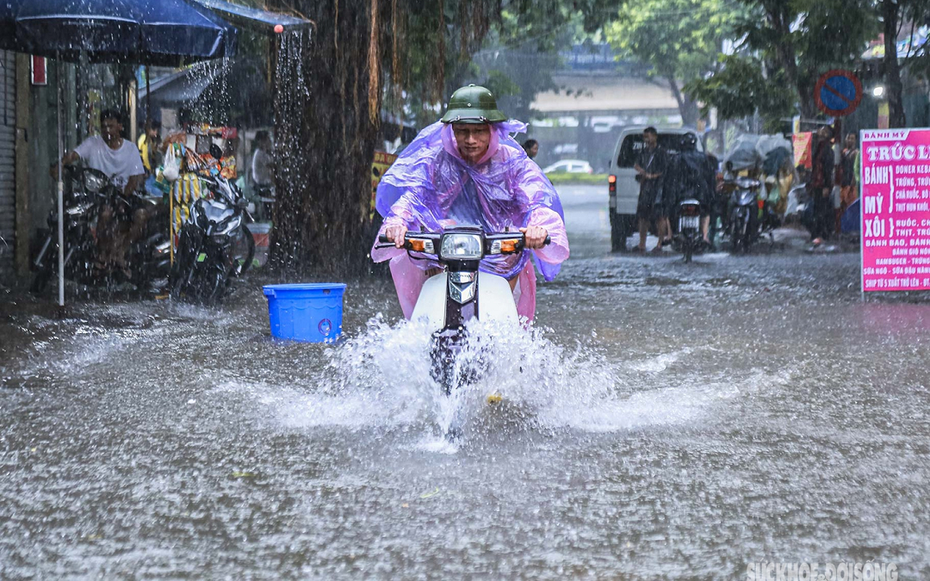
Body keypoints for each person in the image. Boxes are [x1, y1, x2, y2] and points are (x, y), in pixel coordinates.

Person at [372, 84, 569, 322]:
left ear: (493, 130)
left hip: (499, 255)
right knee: (430, 321)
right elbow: (413, 196)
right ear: (451, 131)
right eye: (462, 131)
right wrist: (397, 222)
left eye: (479, 131)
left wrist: (538, 227)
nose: (471, 140)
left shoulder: (513, 163)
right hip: (445, 256)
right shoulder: (436, 161)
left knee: (503, 327)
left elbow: (536, 199)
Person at [52, 109, 146, 274]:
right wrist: (60, 165)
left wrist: (123, 197)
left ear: (120, 127)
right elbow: (73, 155)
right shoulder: (93, 143)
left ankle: (120, 252)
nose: (107, 130)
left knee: (141, 216)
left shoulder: (130, 149)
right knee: (105, 214)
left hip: (125, 195)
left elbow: (135, 177)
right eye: (103, 127)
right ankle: (101, 253)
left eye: (110, 126)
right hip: (98, 195)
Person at [672, 133, 716, 245]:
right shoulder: (703, 157)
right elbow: (710, 176)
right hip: (700, 192)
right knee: (706, 212)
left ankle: (671, 234)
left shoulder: (677, 157)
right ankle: (705, 236)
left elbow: (671, 178)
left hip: (682, 192)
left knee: (671, 210)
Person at [633, 126, 669, 252]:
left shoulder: (661, 152)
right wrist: (642, 172)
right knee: (643, 217)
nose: (646, 140)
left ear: (655, 136)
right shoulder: (643, 152)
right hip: (645, 188)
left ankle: (660, 243)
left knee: (660, 216)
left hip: (658, 188)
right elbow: (636, 164)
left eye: (648, 137)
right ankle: (641, 244)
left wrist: (652, 176)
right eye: (645, 137)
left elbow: (665, 170)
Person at [809, 125, 835, 245]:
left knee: (822, 210)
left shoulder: (827, 149)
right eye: (820, 130)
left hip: (822, 185)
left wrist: (826, 185)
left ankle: (822, 234)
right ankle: (817, 234)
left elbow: (828, 169)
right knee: (817, 210)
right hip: (816, 184)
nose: (821, 133)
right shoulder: (817, 147)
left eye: (824, 131)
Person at [837, 132, 859, 234]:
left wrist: (852, 183)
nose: (849, 140)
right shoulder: (843, 152)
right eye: (848, 138)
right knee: (841, 207)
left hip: (851, 185)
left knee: (850, 206)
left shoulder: (856, 153)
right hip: (842, 183)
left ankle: (850, 229)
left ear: (855, 140)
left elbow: (855, 169)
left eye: (852, 138)